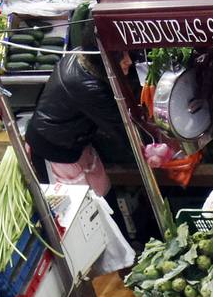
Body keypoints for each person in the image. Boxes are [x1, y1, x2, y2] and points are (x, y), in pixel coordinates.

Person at [24, 16, 137, 193]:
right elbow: (122, 128)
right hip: (53, 149)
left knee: (101, 193)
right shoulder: (87, 85)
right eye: (120, 55)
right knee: (81, 205)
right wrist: (154, 153)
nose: (128, 60)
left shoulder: (83, 56)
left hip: (77, 142)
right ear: (102, 57)